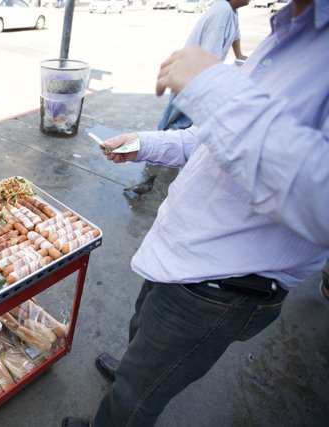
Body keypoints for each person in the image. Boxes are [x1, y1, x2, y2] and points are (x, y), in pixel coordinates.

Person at [63, 0, 328, 425]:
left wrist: (215, 87)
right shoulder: (290, 26)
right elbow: (209, 138)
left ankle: (132, 388)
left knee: (136, 398)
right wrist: (144, 144)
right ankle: (136, 368)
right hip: (178, 252)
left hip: (220, 285)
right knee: (142, 330)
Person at [157, 0, 249, 131]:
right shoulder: (223, 12)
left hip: (194, 77)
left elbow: (236, 33)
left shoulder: (232, 10)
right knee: (176, 125)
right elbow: (209, 58)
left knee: (178, 123)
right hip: (191, 79)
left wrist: (239, 54)